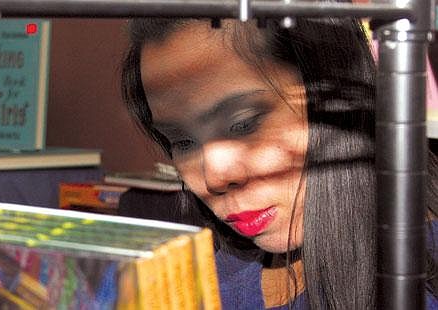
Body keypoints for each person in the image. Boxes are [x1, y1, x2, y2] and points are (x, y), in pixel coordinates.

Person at [121, 12, 438, 310]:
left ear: (335, 104)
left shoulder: (415, 283)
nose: (214, 177)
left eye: (245, 123)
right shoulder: (210, 283)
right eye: (183, 142)